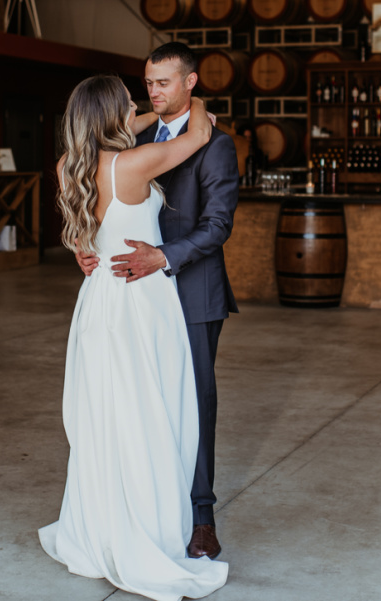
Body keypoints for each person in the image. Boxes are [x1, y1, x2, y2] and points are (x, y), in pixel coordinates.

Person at [38, 74, 228, 599]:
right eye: (129, 103)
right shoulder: (133, 164)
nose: (139, 108)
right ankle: (146, 529)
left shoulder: (68, 166)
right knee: (148, 413)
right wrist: (194, 97)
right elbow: (195, 135)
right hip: (140, 301)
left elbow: (85, 234)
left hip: (99, 301)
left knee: (106, 416)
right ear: (112, 115)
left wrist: (132, 116)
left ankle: (100, 525)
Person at [75, 42, 239, 559]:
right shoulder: (138, 141)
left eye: (164, 83)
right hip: (132, 294)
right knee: (138, 407)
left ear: (191, 82)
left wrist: (162, 257)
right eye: (148, 84)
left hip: (189, 291)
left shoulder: (215, 144)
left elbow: (217, 227)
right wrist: (89, 249)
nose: (154, 92)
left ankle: (201, 519)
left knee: (194, 406)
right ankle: (148, 511)